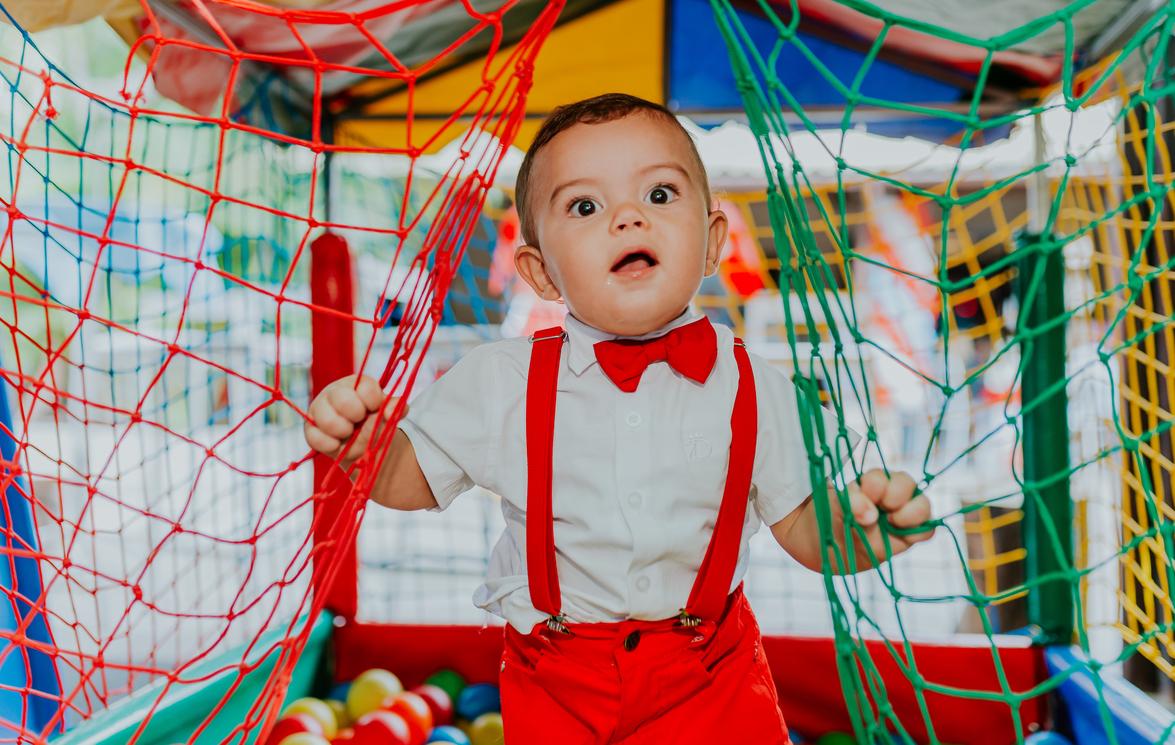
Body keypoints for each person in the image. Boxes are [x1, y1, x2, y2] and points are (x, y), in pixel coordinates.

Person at [304, 93, 934, 744]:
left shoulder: (757, 387)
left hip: (710, 673)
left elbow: (804, 525)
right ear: (542, 272)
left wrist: (857, 534)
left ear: (714, 240)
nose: (629, 217)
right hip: (557, 682)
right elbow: (414, 478)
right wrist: (371, 449)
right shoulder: (500, 381)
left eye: (660, 194)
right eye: (585, 206)